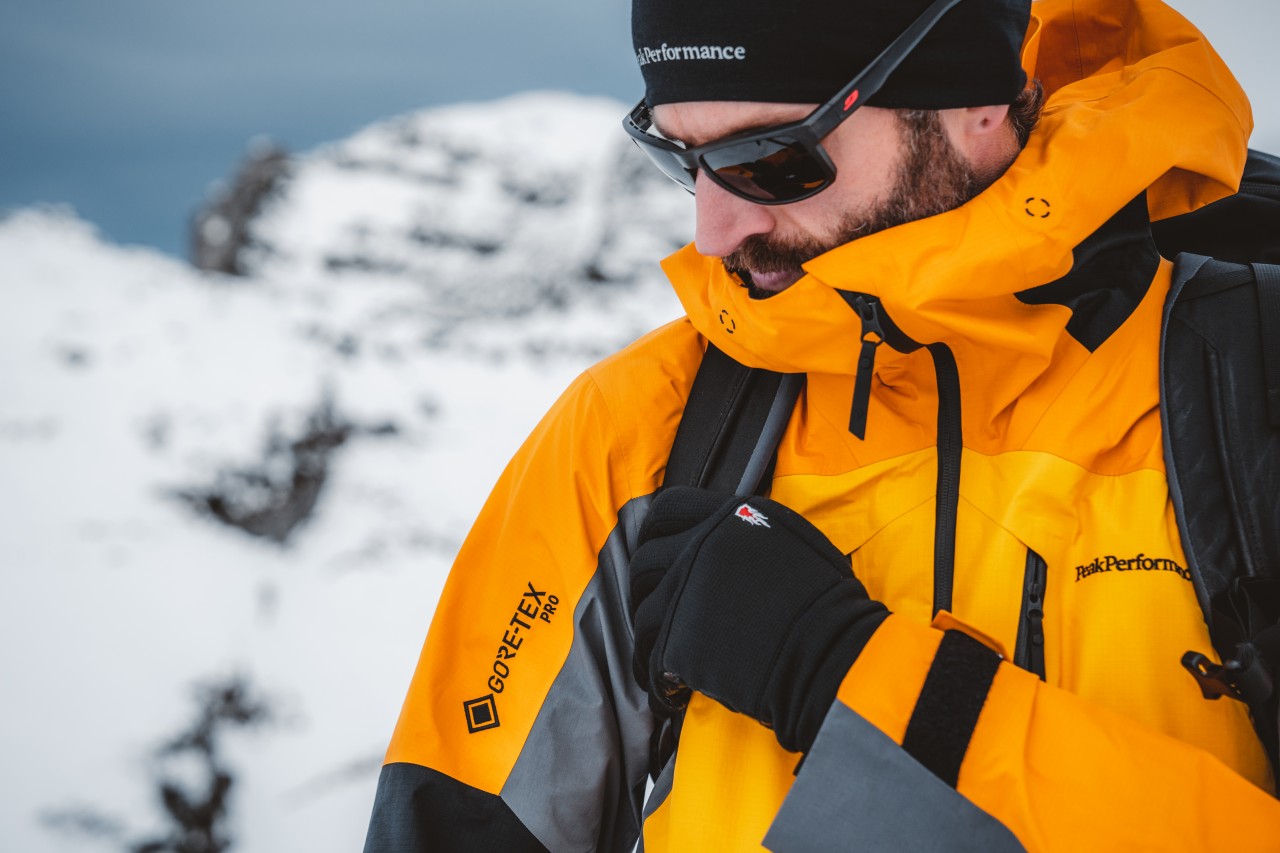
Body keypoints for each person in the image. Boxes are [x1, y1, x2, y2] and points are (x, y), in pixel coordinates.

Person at [364, 0, 1280, 849]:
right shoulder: (638, 431)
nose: (715, 231)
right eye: (683, 161)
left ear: (975, 106)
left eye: (771, 159)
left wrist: (849, 677)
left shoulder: (1249, 382)